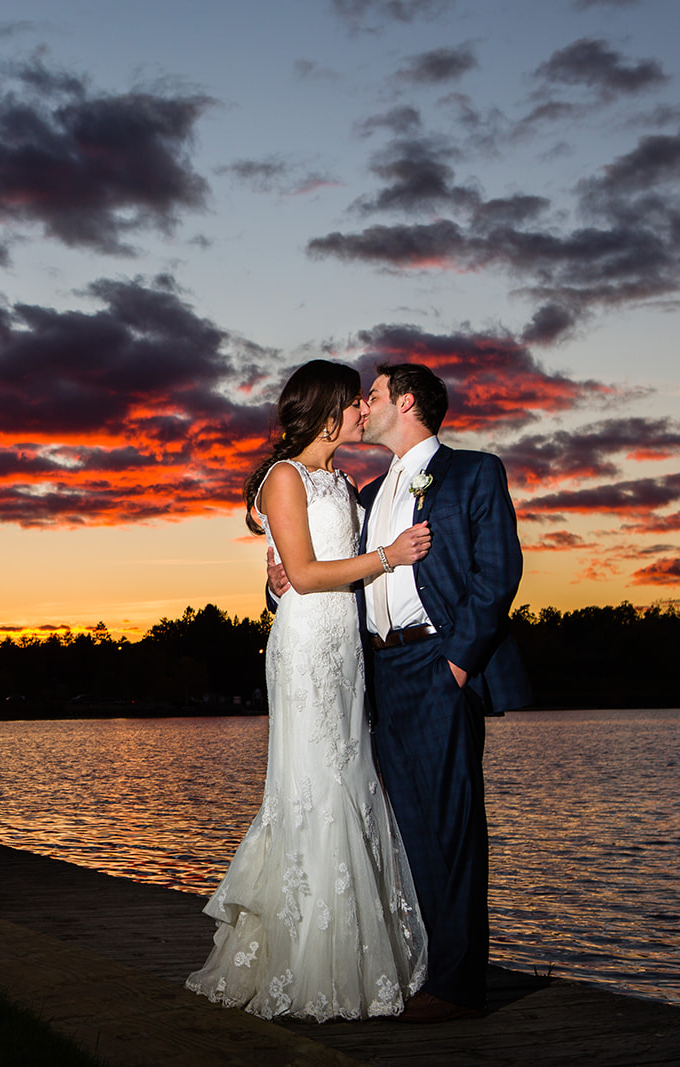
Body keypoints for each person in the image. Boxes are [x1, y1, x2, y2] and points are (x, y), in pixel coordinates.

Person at [267, 362, 532, 1023]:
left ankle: (457, 983)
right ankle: (425, 967)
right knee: (406, 828)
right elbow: (323, 561)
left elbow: (497, 575)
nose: (365, 404)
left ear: (406, 401)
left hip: (438, 665)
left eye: (375, 393)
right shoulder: (365, 490)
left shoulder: (474, 472)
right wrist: (277, 581)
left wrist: (459, 666)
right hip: (375, 671)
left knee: (453, 823)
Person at [186, 359, 431, 1022]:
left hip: (344, 646)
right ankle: (307, 961)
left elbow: (309, 563)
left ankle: (353, 954)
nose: (360, 410)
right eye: (352, 402)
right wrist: (390, 556)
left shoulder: (340, 477)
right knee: (316, 784)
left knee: (350, 777)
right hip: (306, 648)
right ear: (326, 413)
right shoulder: (284, 477)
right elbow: (303, 571)